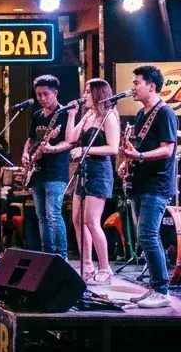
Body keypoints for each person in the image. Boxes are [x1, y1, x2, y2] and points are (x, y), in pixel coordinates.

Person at [121, 65, 180, 309]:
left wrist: (141, 157)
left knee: (148, 234)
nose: (133, 87)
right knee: (142, 236)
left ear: (152, 86)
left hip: (157, 184)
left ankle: (162, 289)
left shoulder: (165, 113)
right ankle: (154, 287)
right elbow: (138, 147)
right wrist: (128, 162)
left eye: (137, 83)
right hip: (140, 181)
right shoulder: (141, 115)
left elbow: (168, 149)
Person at [66, 78, 120, 285]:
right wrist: (71, 115)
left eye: (88, 91)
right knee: (78, 219)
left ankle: (105, 268)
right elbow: (71, 137)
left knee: (91, 220)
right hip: (85, 170)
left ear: (98, 94)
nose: (84, 95)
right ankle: (86, 264)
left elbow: (113, 148)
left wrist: (85, 150)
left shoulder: (109, 116)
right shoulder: (89, 115)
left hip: (99, 170)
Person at [22, 75, 71, 264]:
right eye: (39, 94)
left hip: (56, 170)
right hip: (37, 171)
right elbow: (31, 139)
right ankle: (47, 253)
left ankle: (62, 255)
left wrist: (53, 148)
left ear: (55, 93)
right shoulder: (37, 115)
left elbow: (70, 141)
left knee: (53, 214)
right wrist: (26, 153)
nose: (42, 98)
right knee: (41, 215)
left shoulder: (64, 114)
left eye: (46, 94)